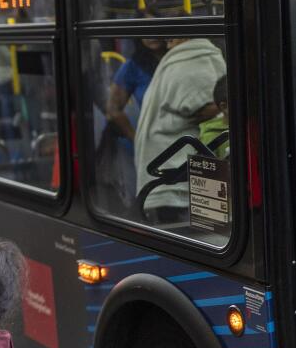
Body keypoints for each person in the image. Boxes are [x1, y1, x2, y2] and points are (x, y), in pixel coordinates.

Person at [134, 37, 226, 223]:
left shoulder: (189, 60)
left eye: (170, 39)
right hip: (174, 170)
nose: (167, 44)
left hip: (172, 169)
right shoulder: (189, 60)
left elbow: (197, 104)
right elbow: (199, 104)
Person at [97, 38, 164, 213]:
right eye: (146, 32)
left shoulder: (176, 59)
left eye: (156, 30)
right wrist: (136, 137)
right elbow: (113, 109)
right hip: (150, 143)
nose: (152, 37)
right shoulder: (134, 66)